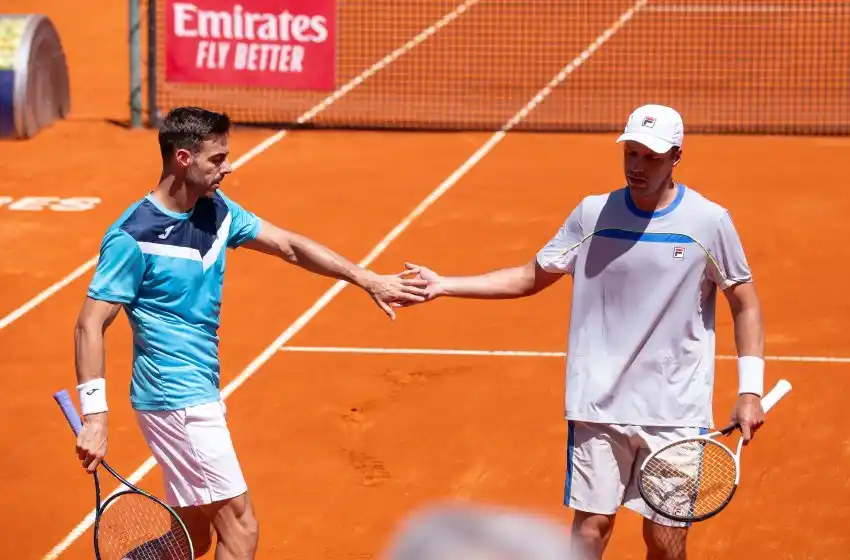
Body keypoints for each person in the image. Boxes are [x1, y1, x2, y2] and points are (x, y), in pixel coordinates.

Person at [400, 104, 766, 560]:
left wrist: (750, 390)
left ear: (676, 156)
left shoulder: (708, 222)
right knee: (591, 530)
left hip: (675, 408)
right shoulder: (593, 214)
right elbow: (531, 276)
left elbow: (744, 303)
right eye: (631, 153)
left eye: (651, 157)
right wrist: (445, 284)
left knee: (666, 541)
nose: (637, 166)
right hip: (598, 402)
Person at [72, 106, 428, 559]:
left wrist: (367, 278)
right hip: (177, 399)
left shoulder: (215, 211)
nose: (229, 166)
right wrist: (95, 418)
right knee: (241, 529)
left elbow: (289, 246)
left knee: (191, 538)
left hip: (192, 391)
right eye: (217, 159)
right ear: (183, 159)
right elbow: (89, 322)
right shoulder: (133, 237)